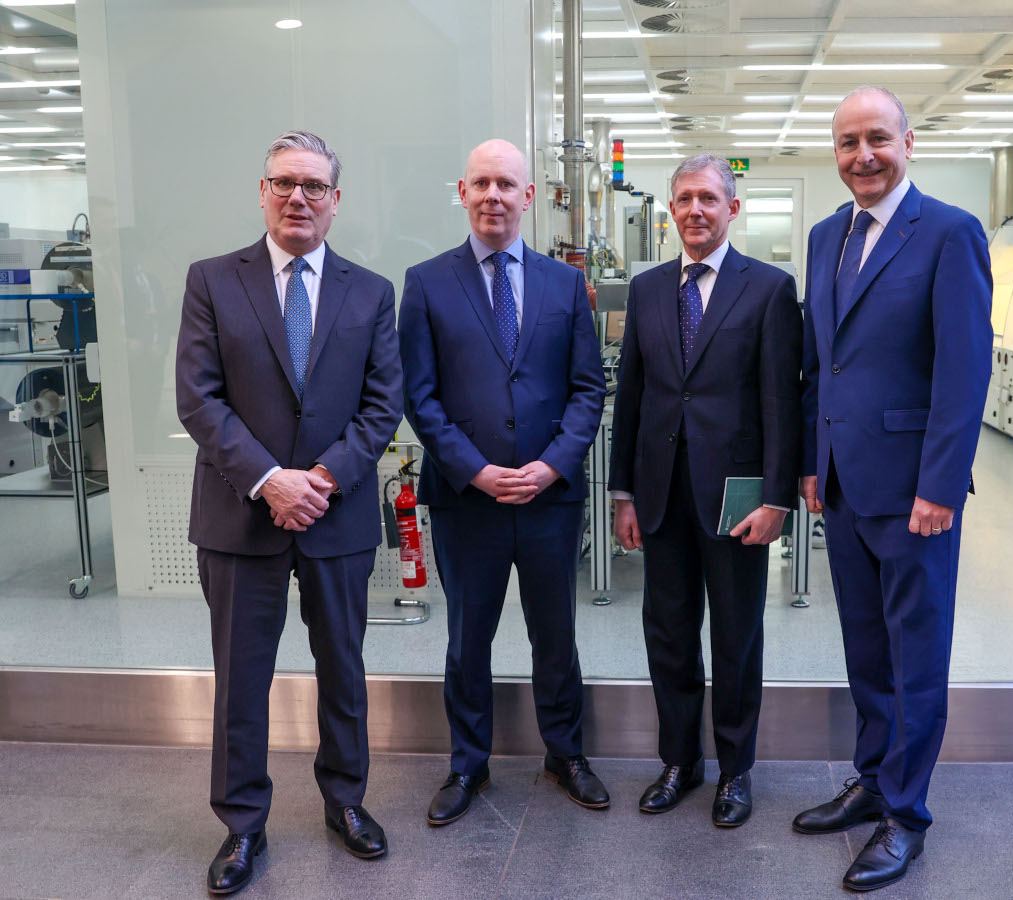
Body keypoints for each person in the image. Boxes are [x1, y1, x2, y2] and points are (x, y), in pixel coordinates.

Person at [176, 130, 403, 895]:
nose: (297, 197)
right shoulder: (212, 280)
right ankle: (242, 826)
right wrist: (271, 479)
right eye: (283, 183)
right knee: (242, 678)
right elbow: (198, 400)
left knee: (344, 670)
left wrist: (322, 480)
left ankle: (347, 802)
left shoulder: (371, 292)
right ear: (262, 191)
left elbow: (382, 406)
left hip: (335, 518)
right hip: (241, 518)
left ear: (336, 201)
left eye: (313, 186)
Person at [792, 86, 992, 891]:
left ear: (910, 141)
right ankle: (873, 778)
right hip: (843, 486)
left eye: (877, 138)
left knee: (916, 656)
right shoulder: (823, 236)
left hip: (916, 495)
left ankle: (906, 815)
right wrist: (812, 461)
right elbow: (820, 362)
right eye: (847, 142)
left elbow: (963, 369)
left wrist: (940, 484)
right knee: (867, 650)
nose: (862, 155)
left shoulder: (948, 233)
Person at [399, 138, 609, 826]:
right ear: (462, 192)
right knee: (468, 638)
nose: (494, 195)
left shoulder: (561, 284)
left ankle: (565, 752)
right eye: (481, 183)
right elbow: (419, 397)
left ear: (527, 196)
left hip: (550, 498)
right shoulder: (427, 283)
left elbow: (587, 390)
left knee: (556, 634)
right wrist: (476, 470)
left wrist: (550, 465)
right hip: (467, 501)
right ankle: (468, 762)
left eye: (507, 184)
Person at [608, 154, 802, 828]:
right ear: (671, 210)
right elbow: (631, 394)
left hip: (736, 497)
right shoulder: (648, 288)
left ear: (732, 211)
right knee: (667, 632)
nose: (695, 210)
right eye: (684, 199)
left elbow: (782, 402)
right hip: (661, 491)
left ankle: (735, 771)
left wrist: (777, 499)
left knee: (736, 637)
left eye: (708, 200)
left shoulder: (770, 289)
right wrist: (622, 493)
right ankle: (680, 761)